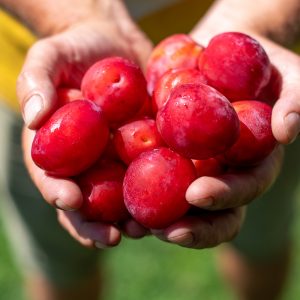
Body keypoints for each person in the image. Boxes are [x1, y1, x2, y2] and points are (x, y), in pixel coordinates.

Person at [0, 0, 299, 299]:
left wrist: (264, 20)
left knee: (262, 242)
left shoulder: (230, 111)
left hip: (250, 19)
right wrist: (68, 18)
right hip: (41, 55)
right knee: (59, 267)